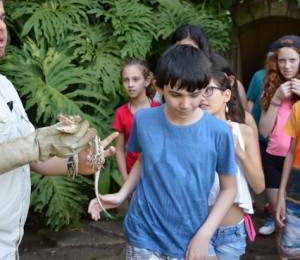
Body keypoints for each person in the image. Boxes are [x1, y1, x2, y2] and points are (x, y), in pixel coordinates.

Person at [0, 0, 119, 259]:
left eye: (3, 18)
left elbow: (32, 158)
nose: (2, 28)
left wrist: (77, 162)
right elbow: (33, 148)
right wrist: (38, 143)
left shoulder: (5, 86)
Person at [89, 44, 238, 259]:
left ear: (205, 87)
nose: (185, 104)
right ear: (159, 88)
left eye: (194, 94)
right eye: (176, 94)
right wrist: (122, 194)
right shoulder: (143, 119)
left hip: (191, 235)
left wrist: (205, 235)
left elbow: (229, 189)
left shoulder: (219, 131)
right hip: (143, 233)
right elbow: (142, 161)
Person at [200, 69, 264, 259]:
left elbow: (259, 186)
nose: (202, 97)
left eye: (209, 90)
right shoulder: (190, 132)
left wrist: (239, 152)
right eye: (197, 91)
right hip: (197, 226)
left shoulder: (244, 131)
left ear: (226, 94)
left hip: (232, 233)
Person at [259, 35, 300, 259]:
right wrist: (276, 98)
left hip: (297, 165)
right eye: (282, 61)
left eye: (293, 60)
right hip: (275, 160)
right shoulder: (272, 86)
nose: (287, 66)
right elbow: (263, 132)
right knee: (281, 222)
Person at [167, 24, 249, 111]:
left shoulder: (219, 78)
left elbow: (243, 116)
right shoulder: (166, 82)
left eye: (193, 51)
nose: (187, 56)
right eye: (181, 50)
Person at [112, 58, 160, 182]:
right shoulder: (120, 113)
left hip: (157, 173)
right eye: (126, 80)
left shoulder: (159, 110)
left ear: (147, 81)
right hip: (131, 173)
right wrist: (125, 179)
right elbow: (120, 150)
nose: (130, 85)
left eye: (135, 79)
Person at [247, 41, 277, 236]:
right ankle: (263, 206)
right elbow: (250, 101)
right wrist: (247, 126)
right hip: (260, 132)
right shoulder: (259, 76)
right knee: (263, 171)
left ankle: (270, 209)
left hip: (280, 137)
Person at [276, 101, 300, 259]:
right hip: (296, 187)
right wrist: (281, 195)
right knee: (290, 249)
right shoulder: (298, 107)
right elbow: (291, 151)